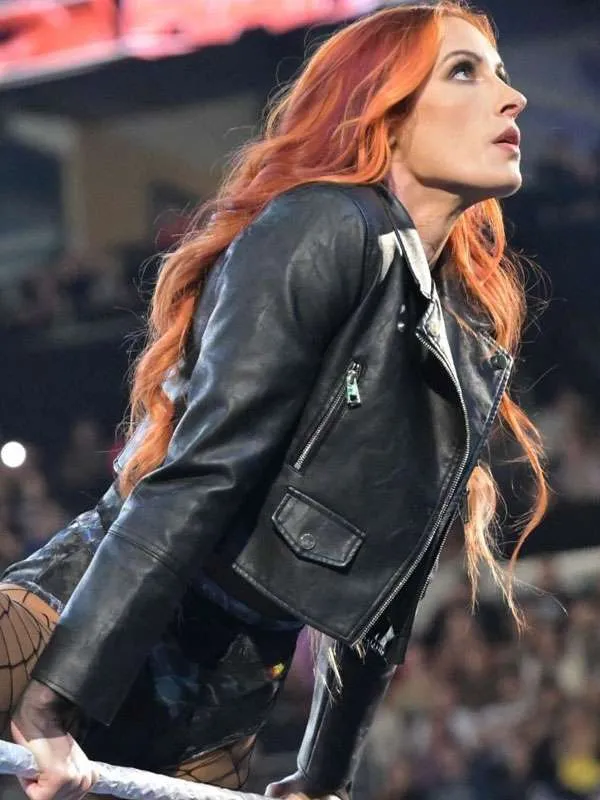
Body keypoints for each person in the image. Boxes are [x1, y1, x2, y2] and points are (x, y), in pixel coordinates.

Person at [0, 2, 548, 799]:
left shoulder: (464, 338)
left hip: (225, 687)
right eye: (464, 72)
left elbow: (388, 585)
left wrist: (323, 777)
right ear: (384, 112)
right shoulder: (324, 223)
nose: (512, 96)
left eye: (500, 72)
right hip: (89, 611)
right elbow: (204, 474)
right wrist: (52, 700)